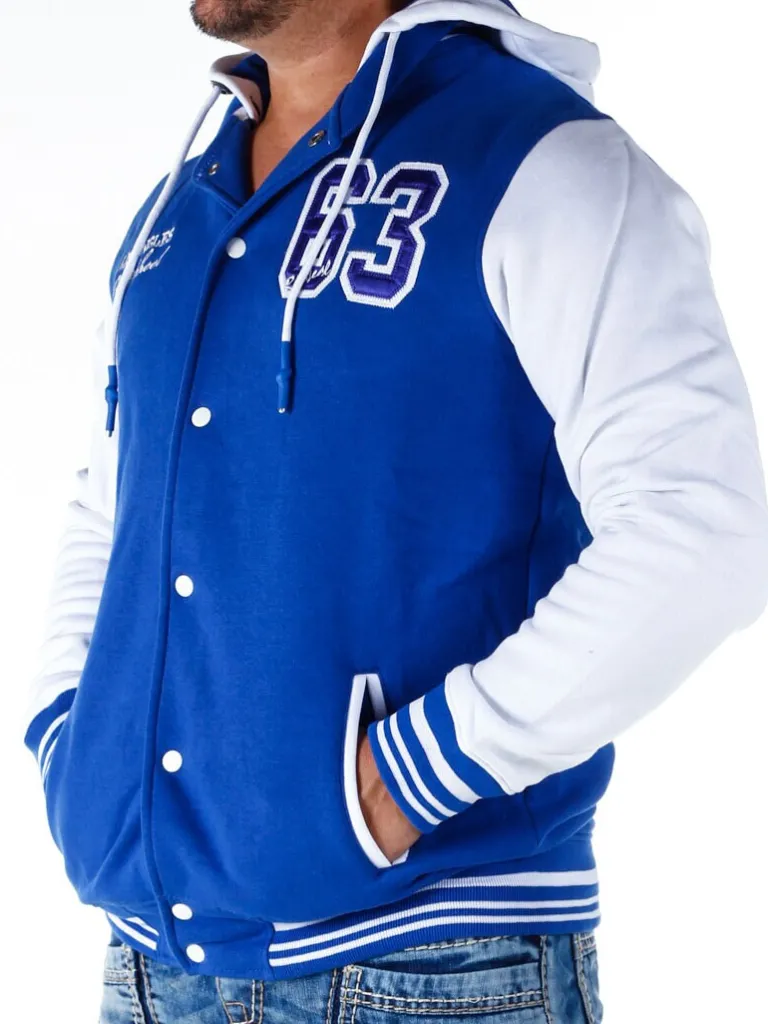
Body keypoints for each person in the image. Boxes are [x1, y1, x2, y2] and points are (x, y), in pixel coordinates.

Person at [23, 0, 768, 1021]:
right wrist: (71, 736)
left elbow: (703, 523)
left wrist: (405, 780)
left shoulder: (544, 162)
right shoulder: (178, 206)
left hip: (431, 964)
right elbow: (113, 499)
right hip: (153, 964)